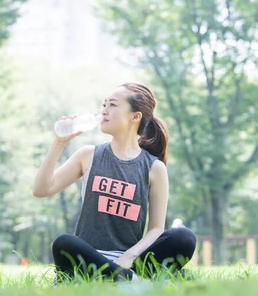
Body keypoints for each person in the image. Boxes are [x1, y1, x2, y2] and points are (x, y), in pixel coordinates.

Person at [33, 83, 197, 282]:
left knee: (184, 237)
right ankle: (133, 281)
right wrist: (59, 143)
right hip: (88, 257)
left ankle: (118, 277)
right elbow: (41, 190)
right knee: (64, 243)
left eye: (112, 105)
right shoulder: (88, 155)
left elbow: (156, 229)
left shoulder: (154, 168)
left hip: (130, 260)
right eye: (104, 105)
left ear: (135, 117)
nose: (104, 110)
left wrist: (127, 258)